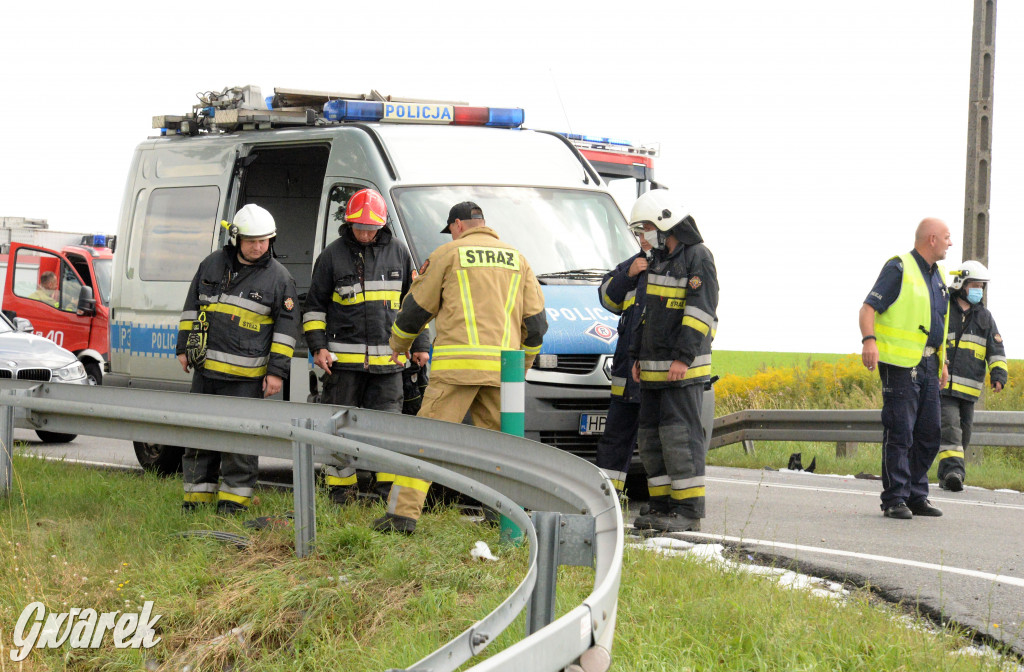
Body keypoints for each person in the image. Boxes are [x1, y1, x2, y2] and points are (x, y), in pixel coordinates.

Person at [378, 201, 547, 534]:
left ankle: (402, 516)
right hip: (502, 372)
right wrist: (521, 367)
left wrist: (398, 347)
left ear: (457, 225)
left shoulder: (448, 254)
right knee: (502, 448)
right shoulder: (518, 259)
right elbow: (537, 325)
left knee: (426, 441)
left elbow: (415, 310)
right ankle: (505, 518)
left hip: (456, 370)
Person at [303, 188, 430, 504]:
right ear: (349, 224)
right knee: (340, 428)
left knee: (388, 430)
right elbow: (314, 307)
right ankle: (340, 491)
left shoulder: (399, 252)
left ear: (382, 226)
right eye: (359, 228)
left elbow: (414, 304)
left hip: (389, 366)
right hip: (342, 366)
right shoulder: (331, 256)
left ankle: (386, 491)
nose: (364, 234)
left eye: (371, 229)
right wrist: (318, 347)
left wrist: (421, 344)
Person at [176, 203, 299, 514]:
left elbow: (286, 332)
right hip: (205, 373)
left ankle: (233, 505)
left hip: (246, 380)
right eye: (251, 240)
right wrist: (183, 347)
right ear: (236, 239)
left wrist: (276, 373)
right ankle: (196, 502)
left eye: (264, 240)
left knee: (239, 446)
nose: (258, 247)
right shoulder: (211, 265)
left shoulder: (280, 279)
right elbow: (192, 308)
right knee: (199, 438)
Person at [629, 190, 718, 533]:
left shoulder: (698, 258)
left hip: (682, 371)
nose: (643, 236)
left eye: (646, 228)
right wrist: (637, 356)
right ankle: (662, 507)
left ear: (665, 224)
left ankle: (687, 511)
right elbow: (645, 314)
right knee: (652, 443)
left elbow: (700, 313)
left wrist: (683, 358)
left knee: (681, 441)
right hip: (652, 370)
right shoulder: (657, 260)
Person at [859, 217, 951, 520]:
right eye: (947, 237)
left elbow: (939, 322)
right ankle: (895, 497)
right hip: (899, 365)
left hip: (929, 363)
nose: (951, 243)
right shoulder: (899, 267)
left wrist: (943, 361)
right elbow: (868, 308)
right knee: (900, 433)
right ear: (932, 239)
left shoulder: (937, 277)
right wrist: (869, 341)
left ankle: (915, 494)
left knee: (929, 434)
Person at [937, 260, 1007, 492]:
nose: (978, 290)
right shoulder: (943, 308)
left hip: (970, 390)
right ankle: (954, 472)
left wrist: (998, 374)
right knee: (951, 430)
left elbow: (996, 349)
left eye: (981, 286)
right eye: (974, 285)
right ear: (961, 284)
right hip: (945, 386)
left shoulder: (985, 317)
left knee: (963, 434)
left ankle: (946, 474)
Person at [595, 225, 652, 493]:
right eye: (639, 234)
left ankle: (662, 503)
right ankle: (608, 498)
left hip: (654, 374)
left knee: (656, 440)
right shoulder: (635, 263)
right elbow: (607, 296)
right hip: (625, 374)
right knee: (615, 439)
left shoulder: (677, 265)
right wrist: (629, 274)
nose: (642, 239)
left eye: (647, 232)